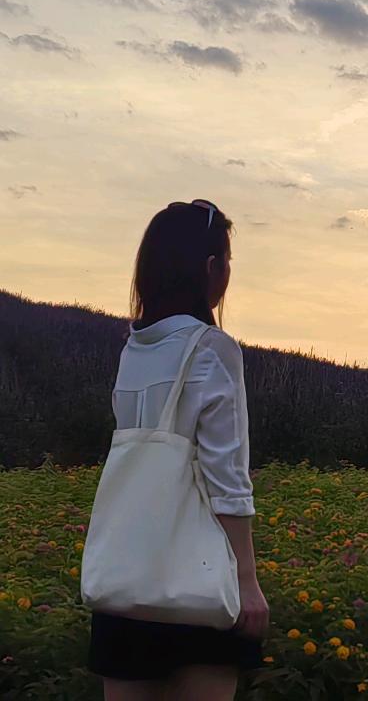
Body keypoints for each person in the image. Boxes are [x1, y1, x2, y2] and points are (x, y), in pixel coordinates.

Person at [87, 199, 270, 701]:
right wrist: (248, 583)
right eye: (226, 262)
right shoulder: (212, 348)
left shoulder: (134, 348)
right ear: (211, 268)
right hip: (196, 584)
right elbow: (225, 477)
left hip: (125, 584)